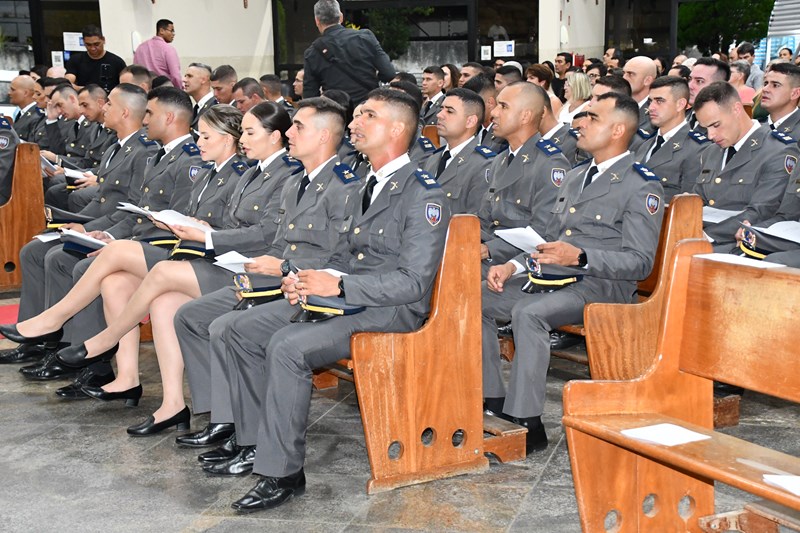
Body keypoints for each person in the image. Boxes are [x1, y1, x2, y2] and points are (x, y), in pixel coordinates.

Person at [215, 87, 448, 512]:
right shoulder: (365, 183)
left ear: (396, 128)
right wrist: (306, 279)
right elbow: (345, 254)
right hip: (348, 298)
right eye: (355, 116)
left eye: (367, 116)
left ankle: (281, 471)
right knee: (241, 329)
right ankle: (253, 441)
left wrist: (338, 287)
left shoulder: (422, 192)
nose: (354, 124)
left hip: (390, 310)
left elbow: (413, 283)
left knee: (288, 347)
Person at [3, 106, 245, 409]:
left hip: (199, 257)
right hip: (179, 247)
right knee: (115, 282)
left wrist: (199, 229)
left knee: (111, 255)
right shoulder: (209, 172)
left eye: (206, 136)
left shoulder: (229, 173)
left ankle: (60, 323)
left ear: (226, 139)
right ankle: (128, 379)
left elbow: (239, 228)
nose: (199, 141)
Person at [173, 98, 360, 458]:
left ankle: (251, 436)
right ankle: (230, 422)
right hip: (276, 277)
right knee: (191, 315)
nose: (288, 133)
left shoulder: (345, 186)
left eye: (298, 128)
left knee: (228, 327)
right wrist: (259, 263)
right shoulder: (295, 184)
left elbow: (339, 256)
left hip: (305, 285)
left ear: (324, 137)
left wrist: (283, 265)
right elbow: (277, 243)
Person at [482, 92, 663, 454]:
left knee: (528, 313)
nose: (579, 123)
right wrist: (512, 265)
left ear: (618, 130)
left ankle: (527, 422)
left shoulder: (642, 185)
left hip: (602, 286)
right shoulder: (577, 175)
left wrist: (580, 257)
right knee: (478, 298)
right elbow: (549, 240)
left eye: (592, 117)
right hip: (554, 277)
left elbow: (641, 262)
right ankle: (492, 400)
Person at [0, 84, 158, 369]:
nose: (104, 107)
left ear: (124, 111)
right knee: (33, 250)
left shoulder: (144, 151)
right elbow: (101, 199)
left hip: (114, 229)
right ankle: (36, 340)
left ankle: (68, 348)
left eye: (109, 103)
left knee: (59, 257)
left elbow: (132, 209)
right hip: (95, 220)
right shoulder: (116, 146)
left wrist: (90, 230)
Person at [692, 81, 799, 251]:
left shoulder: (778, 151)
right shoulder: (710, 152)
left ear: (736, 109)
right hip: (700, 237)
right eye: (705, 129)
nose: (710, 135)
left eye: (715, 125)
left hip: (737, 243)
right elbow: (697, 200)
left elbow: (762, 211)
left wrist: (705, 236)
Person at [478, 82, 570, 270]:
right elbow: (485, 219)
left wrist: (489, 249)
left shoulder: (550, 164)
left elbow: (543, 234)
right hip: (489, 255)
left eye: (503, 106)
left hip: (519, 263)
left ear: (525, 116)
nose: (494, 113)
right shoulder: (501, 160)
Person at [303, 0, 395, 104]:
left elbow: (310, 97)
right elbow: (389, 73)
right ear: (341, 17)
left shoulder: (312, 52)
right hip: (368, 107)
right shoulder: (365, 37)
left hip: (338, 111)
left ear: (317, 21)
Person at [634, 76, 710, 201]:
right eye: (650, 101)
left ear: (680, 104)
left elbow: (686, 204)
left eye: (659, 101)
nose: (651, 107)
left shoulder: (697, 149)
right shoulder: (644, 143)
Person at [423, 87, 493, 215]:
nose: (439, 115)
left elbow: (476, 223)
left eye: (449, 111)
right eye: (441, 109)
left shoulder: (483, 165)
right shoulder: (434, 158)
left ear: (470, 121)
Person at [65, 25, 126, 93]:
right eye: (88, 45)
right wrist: (84, 90)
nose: (93, 48)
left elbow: (125, 87)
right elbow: (67, 83)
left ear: (103, 40)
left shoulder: (117, 62)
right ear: (83, 42)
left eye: (96, 44)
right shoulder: (75, 60)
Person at [132, 18, 181, 88]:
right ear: (161, 31)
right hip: (164, 91)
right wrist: (179, 91)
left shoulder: (140, 48)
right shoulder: (168, 49)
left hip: (144, 91)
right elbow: (175, 76)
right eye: (171, 31)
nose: (173, 34)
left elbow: (135, 72)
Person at [622, 56, 657, 150]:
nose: (624, 78)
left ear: (647, 80)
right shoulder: (619, 105)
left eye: (630, 74)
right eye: (624, 73)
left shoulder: (655, 111)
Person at [687, 57, 730, 130]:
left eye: (699, 81)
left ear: (718, 86)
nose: (690, 86)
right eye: (690, 79)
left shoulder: (726, 126)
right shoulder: (681, 117)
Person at [760, 62, 800, 135]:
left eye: (775, 85)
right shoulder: (755, 126)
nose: (765, 89)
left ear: (795, 93)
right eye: (765, 84)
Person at [183, 63, 217, 134]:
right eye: (185, 76)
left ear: (203, 80)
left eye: (189, 76)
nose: (184, 80)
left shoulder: (214, 106)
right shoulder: (196, 108)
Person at [8, 74, 44, 142]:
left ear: (25, 93)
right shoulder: (22, 113)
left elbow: (33, 146)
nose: (9, 93)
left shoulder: (37, 116)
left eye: (13, 90)